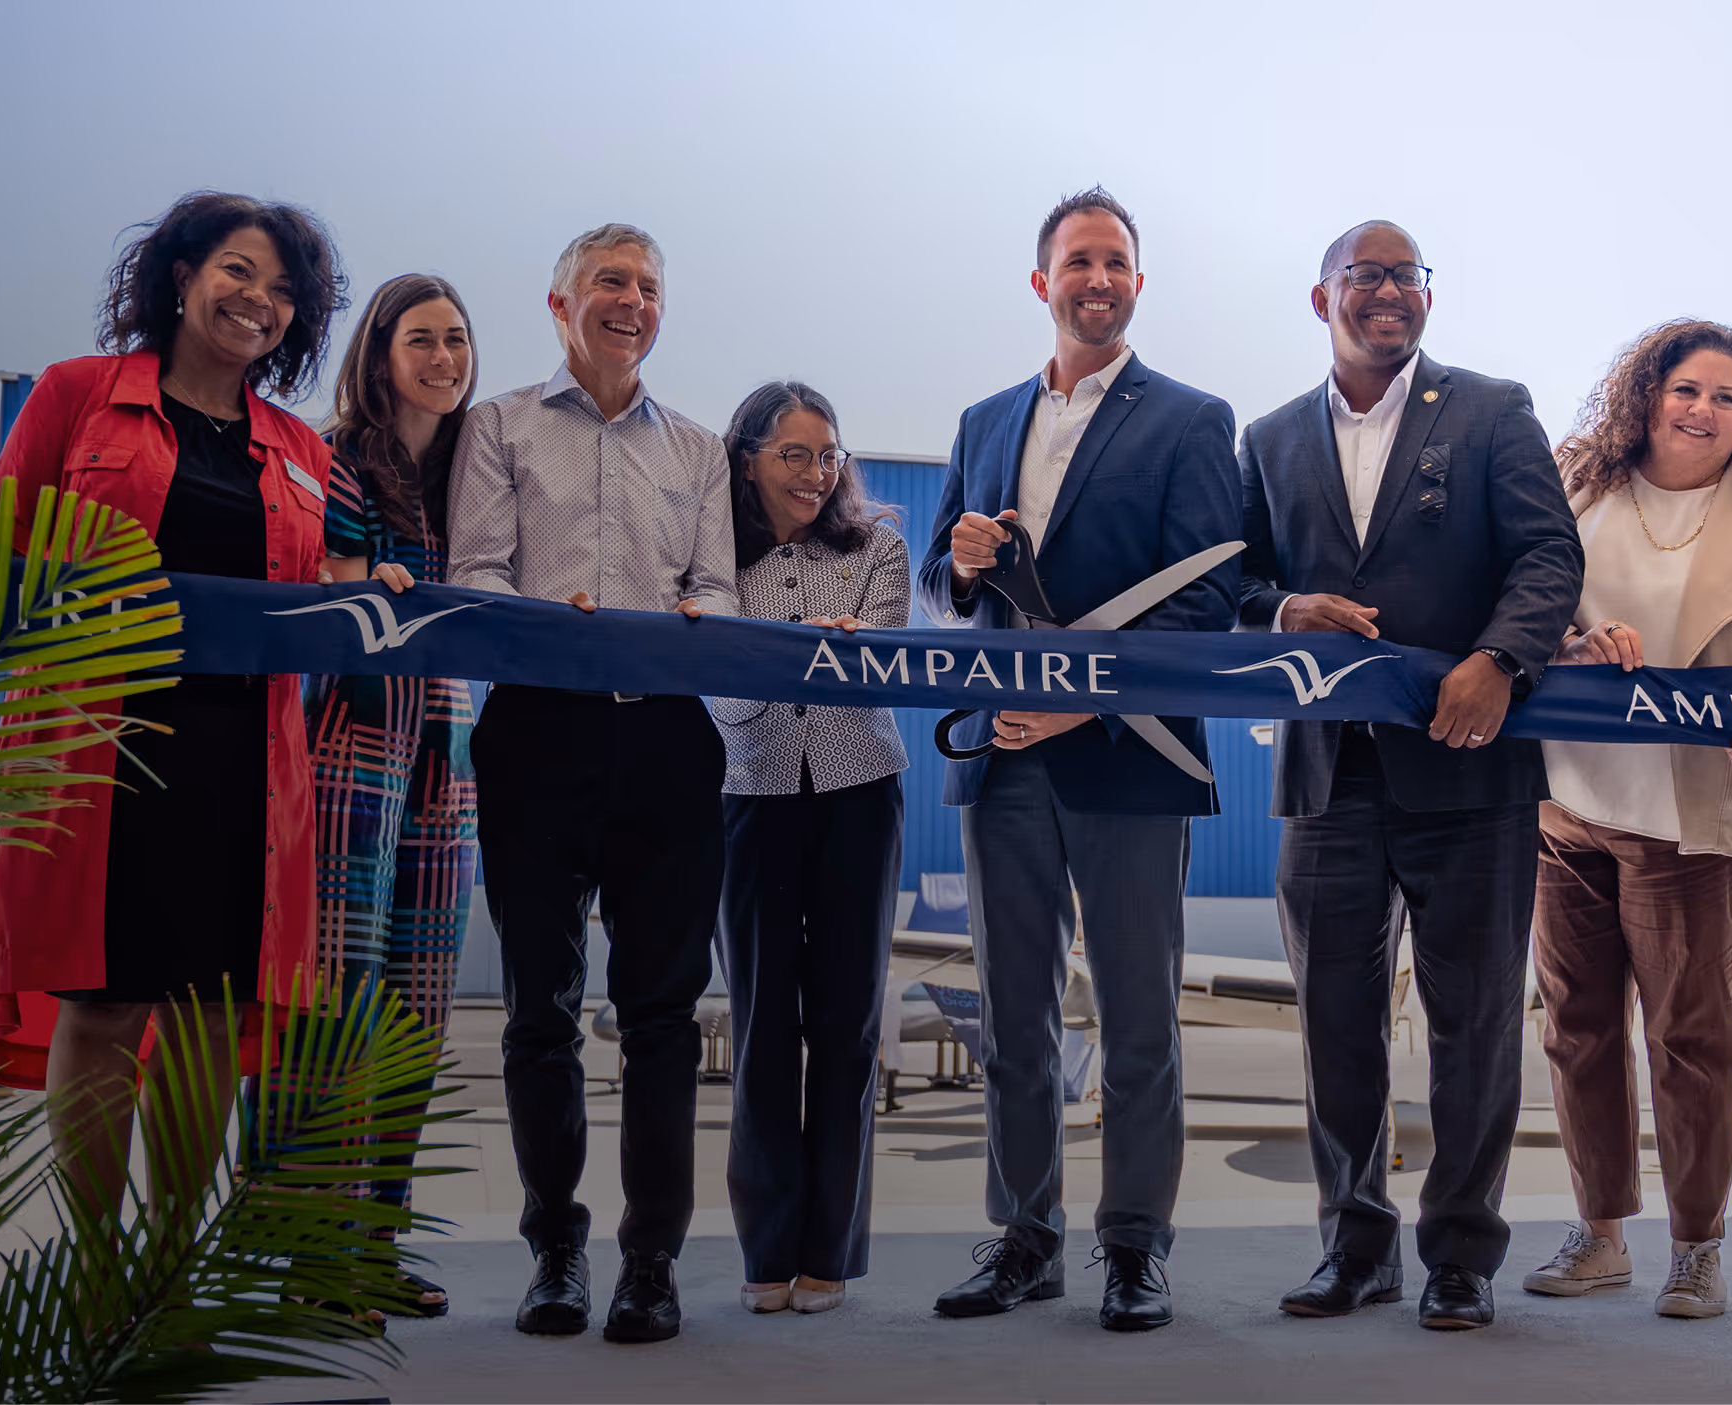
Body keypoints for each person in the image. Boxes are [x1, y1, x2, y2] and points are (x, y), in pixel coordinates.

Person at [0, 191, 346, 1229]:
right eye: (237, 271)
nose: (258, 300)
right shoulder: (75, 394)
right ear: (181, 276)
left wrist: (366, 586)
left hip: (244, 758)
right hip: (100, 745)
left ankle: (169, 1264)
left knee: (210, 1008)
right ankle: (94, 1266)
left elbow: (308, 591)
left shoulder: (301, 450)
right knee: (106, 998)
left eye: (283, 290)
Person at [1233, 220, 1582, 1331]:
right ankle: (1354, 1245)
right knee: (1334, 1023)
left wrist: (1499, 660)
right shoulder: (1268, 439)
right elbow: (1231, 583)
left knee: (1473, 1023)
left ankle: (1460, 1254)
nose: (1387, 291)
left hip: (1473, 768)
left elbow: (1548, 555)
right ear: (1321, 297)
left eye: (1405, 275)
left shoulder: (1491, 409)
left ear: (1426, 294)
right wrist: (1284, 609)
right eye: (1364, 275)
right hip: (1326, 772)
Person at [915, 187, 1240, 1333]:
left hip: (1126, 759)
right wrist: (959, 564)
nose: (1095, 279)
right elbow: (938, 588)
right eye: (1076, 261)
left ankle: (1135, 1246)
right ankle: (1024, 1238)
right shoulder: (981, 422)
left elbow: (1204, 603)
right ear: (1041, 281)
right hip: (999, 763)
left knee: (1139, 1021)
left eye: (1113, 262)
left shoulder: (1191, 421)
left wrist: (1077, 705)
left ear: (1135, 284)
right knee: (1012, 1019)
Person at [1523, 320, 1732, 1320]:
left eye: (1725, 396)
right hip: (1565, 799)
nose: (1702, 409)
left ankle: (1695, 1247)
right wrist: (1571, 643)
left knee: (1689, 1037)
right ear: (1646, 394)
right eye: (1685, 389)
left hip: (1693, 814)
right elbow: (1515, 601)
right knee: (1576, 1030)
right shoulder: (1576, 483)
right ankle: (1599, 1234)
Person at [447, 223, 736, 1345]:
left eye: (649, 286)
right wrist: (548, 625)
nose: (632, 301)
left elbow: (717, 587)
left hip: (666, 738)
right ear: (561, 304)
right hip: (538, 734)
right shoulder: (499, 426)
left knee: (662, 1017)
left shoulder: (698, 450)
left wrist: (689, 616)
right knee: (540, 1012)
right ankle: (555, 1251)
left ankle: (650, 1262)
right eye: (610, 281)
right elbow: (475, 573)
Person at [300, 272, 481, 1318]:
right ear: (378, 353)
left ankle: (373, 1243)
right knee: (334, 1003)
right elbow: (325, 578)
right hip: (352, 736)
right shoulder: (335, 458)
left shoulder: (471, 469)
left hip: (444, 741)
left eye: (456, 338)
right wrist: (359, 578)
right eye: (421, 338)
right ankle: (305, 1251)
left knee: (418, 1007)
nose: (443, 358)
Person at [708, 382, 909, 1318]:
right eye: (793, 453)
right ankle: (767, 1246)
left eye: (828, 455)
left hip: (859, 791)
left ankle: (829, 1248)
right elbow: (713, 673)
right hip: (750, 791)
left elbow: (881, 666)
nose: (815, 473)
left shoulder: (878, 546)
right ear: (747, 457)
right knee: (760, 1026)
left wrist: (795, 654)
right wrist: (797, 658)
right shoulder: (712, 552)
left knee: (845, 1024)